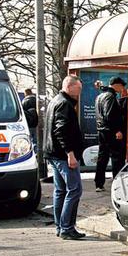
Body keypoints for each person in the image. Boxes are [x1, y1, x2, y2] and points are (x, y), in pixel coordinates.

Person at [43, 75, 86, 240]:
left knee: (60, 190)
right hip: (63, 155)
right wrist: (70, 154)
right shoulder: (64, 104)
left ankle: (61, 226)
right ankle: (67, 227)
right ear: (70, 86)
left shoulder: (56, 101)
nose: (80, 92)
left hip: (53, 153)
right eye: (79, 88)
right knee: (74, 190)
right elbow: (61, 131)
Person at [94, 77, 127, 192]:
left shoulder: (100, 96)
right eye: (122, 86)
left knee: (102, 157)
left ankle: (99, 183)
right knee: (117, 158)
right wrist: (117, 130)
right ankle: (117, 184)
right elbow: (110, 115)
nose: (123, 89)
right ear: (117, 85)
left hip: (101, 130)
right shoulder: (111, 97)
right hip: (110, 131)